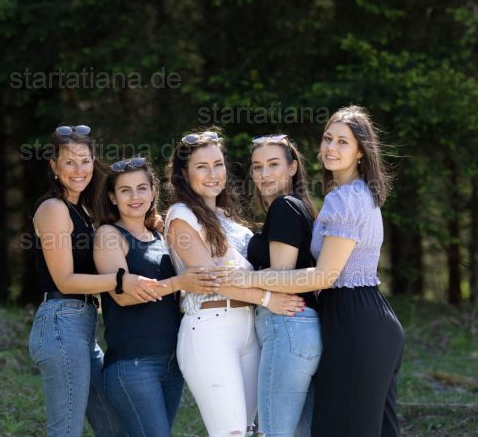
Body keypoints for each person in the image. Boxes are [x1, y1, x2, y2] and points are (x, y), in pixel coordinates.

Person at [217, 107, 405, 437]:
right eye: (328, 138)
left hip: (355, 322)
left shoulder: (346, 199)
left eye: (343, 142)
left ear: (361, 151)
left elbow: (323, 276)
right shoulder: (357, 193)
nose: (331, 147)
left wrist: (249, 279)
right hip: (368, 318)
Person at [164, 130, 305, 437]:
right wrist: (269, 299)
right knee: (231, 433)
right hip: (210, 329)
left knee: (252, 430)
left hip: (249, 329)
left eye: (218, 164)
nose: (213, 174)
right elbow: (210, 279)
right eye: (202, 167)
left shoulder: (228, 217)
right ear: (184, 174)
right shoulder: (181, 215)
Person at [28, 125, 161, 437]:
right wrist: (120, 281)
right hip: (61, 322)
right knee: (66, 430)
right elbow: (64, 281)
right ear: (54, 166)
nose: (79, 170)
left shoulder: (85, 211)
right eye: (70, 162)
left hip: (82, 328)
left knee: (115, 427)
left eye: (85, 161)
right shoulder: (53, 209)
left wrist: (147, 224)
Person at [93, 156, 218, 437]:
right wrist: (179, 282)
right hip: (134, 364)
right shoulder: (109, 235)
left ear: (153, 192)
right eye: (125, 190)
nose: (135, 197)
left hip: (173, 363)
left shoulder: (161, 237)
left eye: (141, 188)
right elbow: (123, 296)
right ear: (112, 197)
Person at [247, 134, 321, 437]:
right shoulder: (301, 208)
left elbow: (281, 277)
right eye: (257, 167)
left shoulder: (283, 207)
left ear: (292, 167)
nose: (264, 174)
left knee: (274, 432)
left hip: (286, 326)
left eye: (273, 164)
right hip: (304, 330)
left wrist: (239, 280)